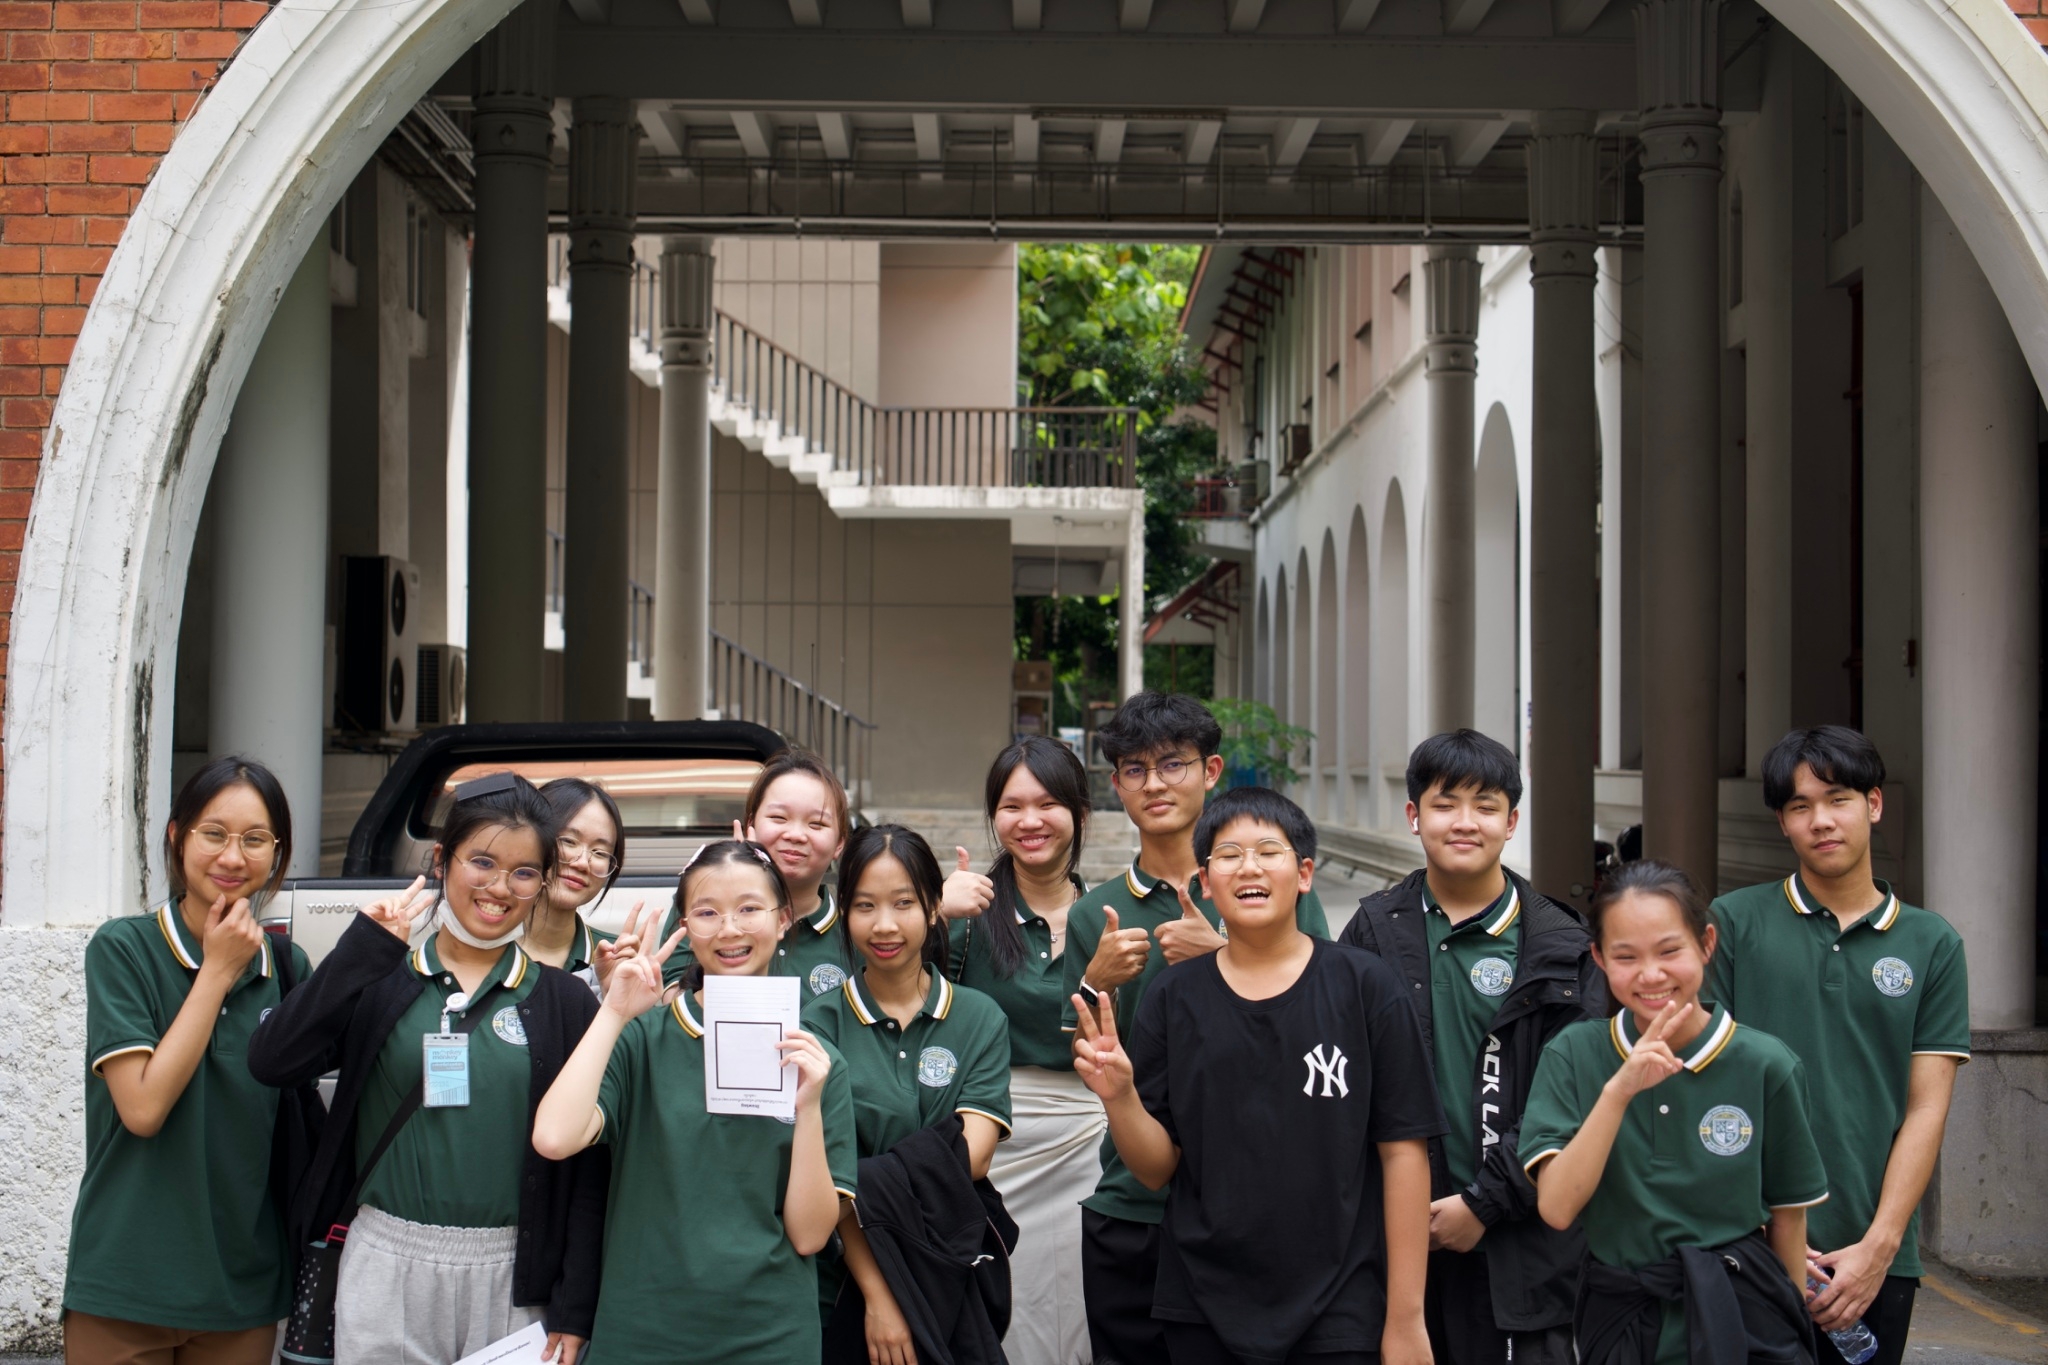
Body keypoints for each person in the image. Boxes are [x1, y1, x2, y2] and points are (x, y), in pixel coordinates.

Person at [1071, 786, 1442, 1365]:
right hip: (1201, 1303)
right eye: (1229, 854)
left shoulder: (1366, 987)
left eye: (1269, 850)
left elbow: (1403, 1153)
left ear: (1305, 873)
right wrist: (1119, 1098)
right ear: (1204, 878)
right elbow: (1155, 1168)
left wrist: (1406, 1316)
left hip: (1341, 1305)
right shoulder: (1173, 997)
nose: (1249, 867)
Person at [248, 772, 607, 1365]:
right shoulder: (379, 977)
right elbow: (273, 1060)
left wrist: (574, 1306)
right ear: (442, 860)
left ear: (543, 882)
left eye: (523, 872)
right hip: (383, 1261)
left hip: (514, 1277)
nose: (499, 887)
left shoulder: (564, 1002)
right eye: (482, 862)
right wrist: (360, 950)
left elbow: (588, 1177)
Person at [1061, 690, 1331, 1365]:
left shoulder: (1277, 888)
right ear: (1116, 783)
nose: (1154, 783)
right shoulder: (1096, 910)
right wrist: (1096, 981)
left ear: (1211, 771)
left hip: (1253, 1204)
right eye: (1133, 768)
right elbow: (1088, 1058)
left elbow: (1324, 1030)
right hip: (1134, 1202)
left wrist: (1223, 955)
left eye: (1173, 764)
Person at [1705, 728, 1971, 1365]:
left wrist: (1880, 1247)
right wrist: (1761, 1235)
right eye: (1800, 806)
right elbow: (1706, 1088)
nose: (1821, 820)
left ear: (1873, 805)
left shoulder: (1933, 944)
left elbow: (1926, 1109)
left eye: (1838, 799)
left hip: (1870, 1258)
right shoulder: (1735, 922)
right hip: (1746, 1248)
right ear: (1782, 823)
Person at [533, 839, 854, 1365]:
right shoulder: (642, 1040)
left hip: (769, 1336)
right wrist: (614, 1013)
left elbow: (810, 1235)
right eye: (707, 913)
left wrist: (810, 1106)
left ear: (783, 919)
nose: (729, 930)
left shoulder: (819, 1063)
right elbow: (553, 1137)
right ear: (685, 926)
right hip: (643, 1330)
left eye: (750, 909)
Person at [1338, 730, 1603, 1365]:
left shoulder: (1563, 947)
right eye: (1444, 803)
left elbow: (1575, 1102)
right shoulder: (1373, 929)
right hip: (1397, 1244)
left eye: (1485, 807)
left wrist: (1484, 1202)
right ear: (1413, 816)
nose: (1464, 822)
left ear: (1512, 822)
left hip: (1521, 1247)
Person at [1521, 860, 1830, 1365]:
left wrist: (1789, 1322)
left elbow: (1788, 1221)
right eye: (1626, 956)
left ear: (1707, 944)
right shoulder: (1573, 1053)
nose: (1651, 975)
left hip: (1742, 1310)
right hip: (1623, 1317)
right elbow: (1556, 1208)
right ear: (1598, 957)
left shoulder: (1765, 1063)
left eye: (1670, 951)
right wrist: (1618, 1091)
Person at [64, 757, 307, 1365]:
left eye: (255, 840)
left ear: (276, 854)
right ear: (177, 836)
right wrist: (218, 969)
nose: (232, 857)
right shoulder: (125, 949)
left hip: (242, 1289)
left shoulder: (287, 966)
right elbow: (143, 1108)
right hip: (126, 1282)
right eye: (214, 833)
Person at [802, 824, 1014, 1360]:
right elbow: (826, 1180)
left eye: (904, 903)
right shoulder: (817, 1025)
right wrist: (881, 1296)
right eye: (865, 906)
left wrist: (867, 1172)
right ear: (844, 911)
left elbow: (975, 1156)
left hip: (951, 1266)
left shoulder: (978, 1016)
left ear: (935, 906)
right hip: (844, 1279)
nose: (885, 925)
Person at [943, 737, 1103, 1365]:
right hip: (992, 1140)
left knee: (1087, 1309)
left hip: (1092, 1138)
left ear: (1081, 814)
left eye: (1048, 803)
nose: (1030, 821)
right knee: (1005, 1310)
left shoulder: (1111, 913)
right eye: (1012, 806)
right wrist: (931, 910)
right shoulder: (965, 914)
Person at [664, 748, 854, 995]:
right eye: (779, 817)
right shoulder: (701, 903)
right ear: (750, 824)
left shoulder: (854, 931)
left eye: (816, 824)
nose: (795, 835)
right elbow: (674, 997)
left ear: (839, 843)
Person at [529, 777, 634, 994]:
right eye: (568, 841)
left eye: (600, 852)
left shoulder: (616, 957)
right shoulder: (486, 945)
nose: (582, 863)